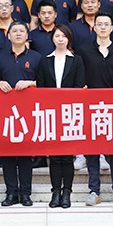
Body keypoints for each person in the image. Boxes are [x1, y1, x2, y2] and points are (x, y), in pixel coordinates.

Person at [78, 12, 113, 207]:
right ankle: (94, 191)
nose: (102, 27)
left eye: (106, 24)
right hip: (91, 106)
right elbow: (81, 76)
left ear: (111, 27)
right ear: (94, 27)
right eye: (99, 24)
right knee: (92, 151)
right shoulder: (84, 50)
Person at [36, 24, 85, 209]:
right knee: (55, 156)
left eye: (63, 36)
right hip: (51, 113)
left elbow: (80, 85)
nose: (60, 39)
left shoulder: (77, 60)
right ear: (52, 39)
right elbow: (41, 87)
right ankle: (55, 191)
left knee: (67, 156)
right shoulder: (45, 60)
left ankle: (67, 193)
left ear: (68, 39)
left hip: (70, 113)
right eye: (57, 36)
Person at [0, 21, 40, 207]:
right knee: (8, 153)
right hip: (6, 112)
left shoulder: (36, 57)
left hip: (28, 112)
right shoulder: (1, 58)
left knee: (26, 154)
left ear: (27, 36)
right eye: (14, 31)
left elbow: (44, 81)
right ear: (9, 35)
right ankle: (11, 192)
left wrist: (30, 83)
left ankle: (25, 193)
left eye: (21, 31)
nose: (18, 34)